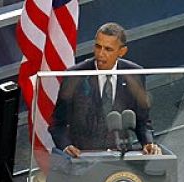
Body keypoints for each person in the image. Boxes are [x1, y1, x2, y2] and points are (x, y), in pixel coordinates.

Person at [49, 22, 161, 158]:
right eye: (98, 47)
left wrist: (148, 142)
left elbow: (142, 121)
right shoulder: (76, 76)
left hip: (121, 158)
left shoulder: (134, 74)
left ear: (122, 51)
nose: (101, 54)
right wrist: (66, 146)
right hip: (83, 158)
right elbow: (57, 124)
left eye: (108, 49)